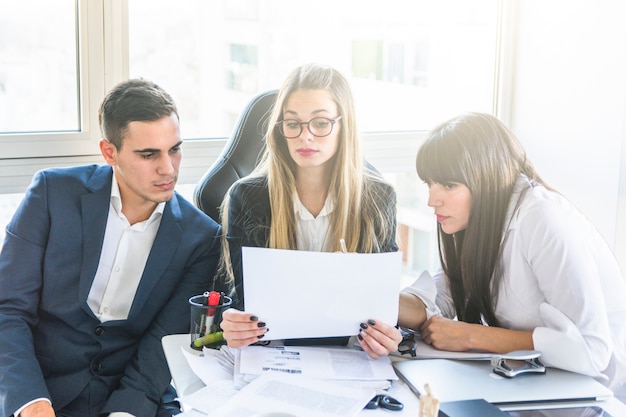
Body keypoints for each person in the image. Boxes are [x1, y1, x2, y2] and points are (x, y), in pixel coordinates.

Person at [0, 79, 222, 417]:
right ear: (109, 152)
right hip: (39, 386)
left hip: (134, 393)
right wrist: (30, 402)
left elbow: (162, 343)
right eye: (149, 154)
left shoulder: (201, 237)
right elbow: (8, 310)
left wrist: (125, 412)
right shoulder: (51, 194)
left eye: (174, 149)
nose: (168, 168)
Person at [398, 112, 626, 401]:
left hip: (595, 396)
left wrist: (469, 336)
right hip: (538, 386)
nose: (432, 200)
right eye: (428, 184)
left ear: (485, 179)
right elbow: (442, 297)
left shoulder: (543, 219)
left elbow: (592, 352)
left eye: (449, 185)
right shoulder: (478, 222)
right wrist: (373, 300)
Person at [218, 63, 402, 359]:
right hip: (272, 357)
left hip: (352, 359)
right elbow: (240, 301)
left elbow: (381, 311)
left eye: (320, 123)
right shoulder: (249, 197)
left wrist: (388, 335)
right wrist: (233, 323)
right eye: (293, 124)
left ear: (344, 126)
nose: (305, 137)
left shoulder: (378, 199)